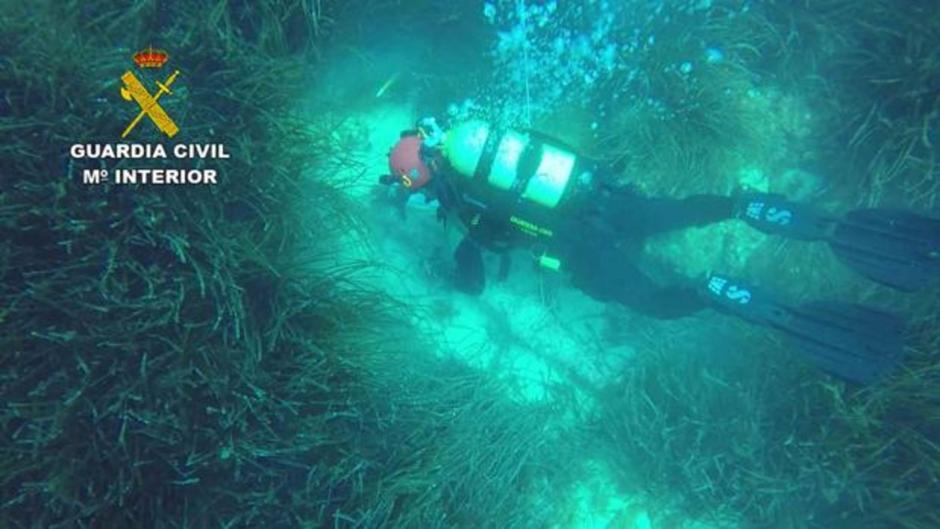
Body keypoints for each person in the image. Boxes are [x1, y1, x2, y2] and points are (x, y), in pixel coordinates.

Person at [379, 117, 940, 384]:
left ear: (423, 177)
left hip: (578, 241)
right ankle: (749, 207)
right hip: (601, 192)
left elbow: (478, 270)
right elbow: (554, 147)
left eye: (411, 185)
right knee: (668, 214)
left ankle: (707, 291)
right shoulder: (477, 134)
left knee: (646, 298)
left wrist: (446, 262)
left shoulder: (457, 197)